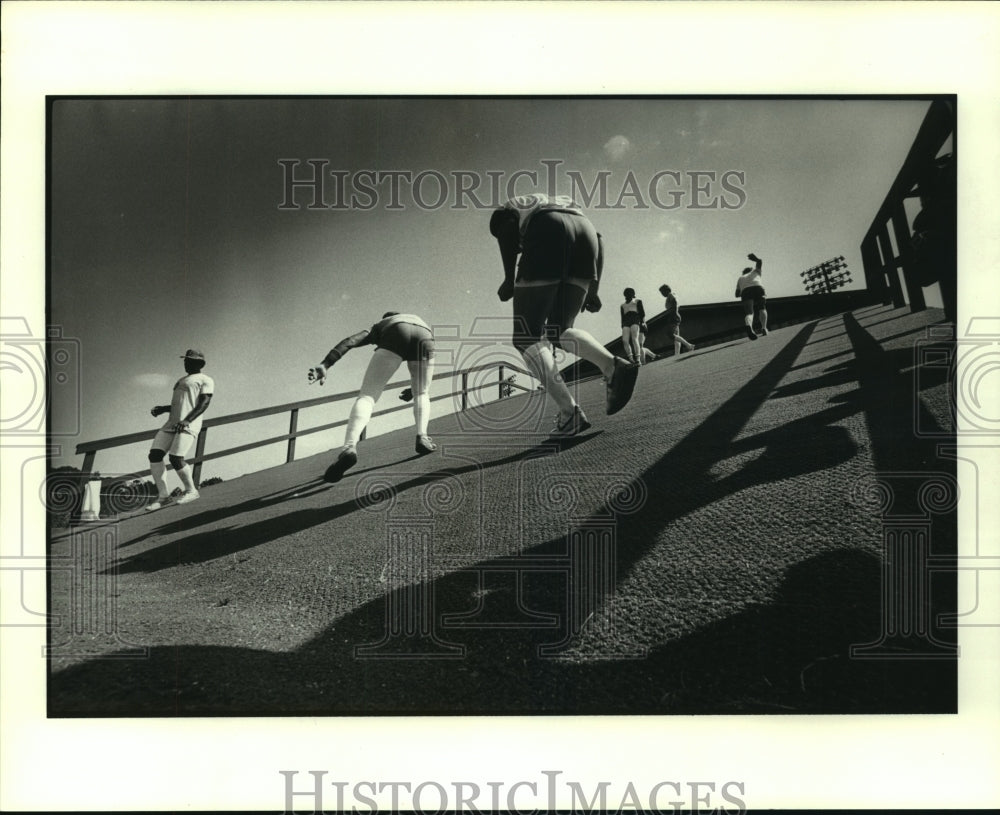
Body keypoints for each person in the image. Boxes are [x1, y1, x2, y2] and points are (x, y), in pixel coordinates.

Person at [489, 194, 638, 436]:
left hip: (548, 227)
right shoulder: (547, 201)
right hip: (586, 232)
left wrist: (508, 278)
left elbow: (505, 230)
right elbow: (599, 240)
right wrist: (594, 290)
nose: (518, 249)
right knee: (559, 330)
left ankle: (570, 413)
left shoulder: (505, 215)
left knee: (526, 337)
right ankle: (612, 366)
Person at [308, 312, 436, 482]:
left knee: (368, 396)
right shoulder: (414, 318)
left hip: (395, 332)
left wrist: (326, 364)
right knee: (422, 392)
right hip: (426, 334)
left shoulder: (382, 324)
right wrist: (414, 390)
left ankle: (349, 447)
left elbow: (350, 341)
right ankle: (422, 436)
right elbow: (421, 382)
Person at [146, 349, 215, 510]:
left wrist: (187, 420)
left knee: (176, 457)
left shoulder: (206, 379)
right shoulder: (181, 380)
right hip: (172, 423)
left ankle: (191, 490)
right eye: (185, 360)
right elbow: (182, 404)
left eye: (189, 360)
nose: (186, 363)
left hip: (189, 423)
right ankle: (163, 496)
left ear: (199, 363)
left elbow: (203, 403)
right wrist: (164, 408)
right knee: (155, 455)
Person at [734, 252, 768, 340]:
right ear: (751, 270)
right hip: (758, 287)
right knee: (762, 308)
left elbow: (736, 294)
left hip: (746, 291)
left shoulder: (740, 278)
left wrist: (743, 290)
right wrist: (755, 259)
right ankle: (764, 328)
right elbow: (760, 261)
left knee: (749, 313)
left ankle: (748, 324)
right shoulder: (755, 271)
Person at [658, 284, 696, 356]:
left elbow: (674, 303)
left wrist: (674, 314)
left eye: (662, 292)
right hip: (673, 315)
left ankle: (689, 345)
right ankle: (677, 354)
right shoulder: (671, 295)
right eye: (661, 293)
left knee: (670, 334)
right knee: (676, 336)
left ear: (667, 290)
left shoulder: (671, 295)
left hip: (673, 316)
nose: (662, 294)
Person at [620, 288, 646, 365]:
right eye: (626, 293)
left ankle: (638, 359)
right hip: (626, 322)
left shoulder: (637, 301)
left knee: (634, 338)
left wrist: (643, 322)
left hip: (635, 319)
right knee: (625, 340)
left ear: (633, 294)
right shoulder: (622, 305)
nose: (628, 295)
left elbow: (642, 313)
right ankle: (631, 359)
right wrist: (622, 325)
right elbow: (622, 317)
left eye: (630, 293)